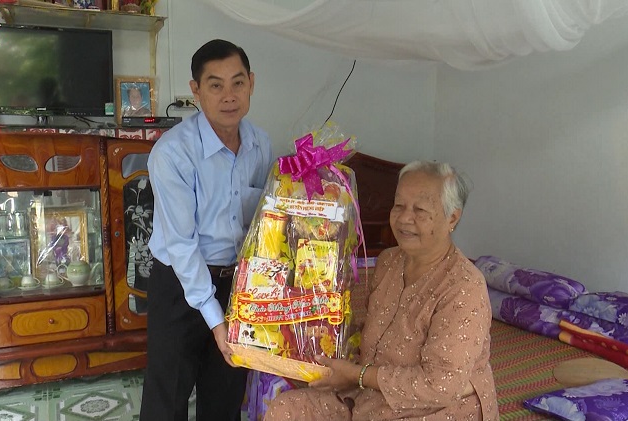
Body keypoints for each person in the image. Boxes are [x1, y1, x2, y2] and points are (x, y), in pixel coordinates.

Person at [265, 161, 499, 421]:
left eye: (420, 210)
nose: (404, 218)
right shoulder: (389, 261)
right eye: (398, 205)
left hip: (430, 408)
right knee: (285, 409)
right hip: (368, 393)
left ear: (452, 217)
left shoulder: (464, 287)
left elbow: (441, 385)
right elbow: (368, 333)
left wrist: (356, 375)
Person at [140, 39, 274, 421]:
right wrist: (216, 320)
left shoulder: (260, 145)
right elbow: (182, 246)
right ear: (196, 91)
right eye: (215, 85)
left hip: (236, 285)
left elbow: (262, 224)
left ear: (251, 83)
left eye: (238, 83)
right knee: (167, 399)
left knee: (225, 397)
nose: (229, 96)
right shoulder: (173, 153)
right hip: (179, 284)